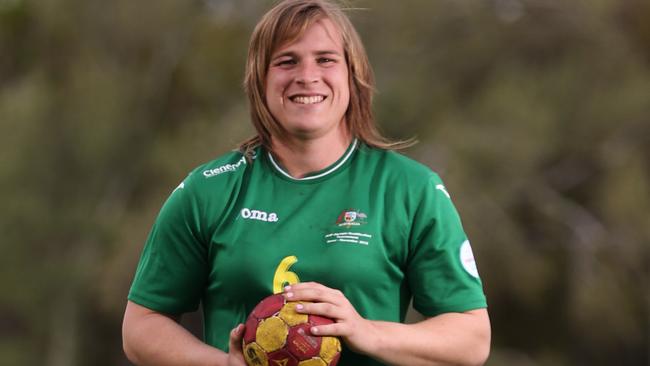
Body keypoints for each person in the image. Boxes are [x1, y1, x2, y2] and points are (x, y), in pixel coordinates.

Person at [122, 0, 491, 365]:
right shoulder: (208, 190)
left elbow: (471, 338)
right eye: (287, 61)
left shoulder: (411, 190)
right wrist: (222, 364)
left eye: (326, 59)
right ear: (260, 79)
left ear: (353, 73)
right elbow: (141, 326)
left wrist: (366, 331)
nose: (307, 75)